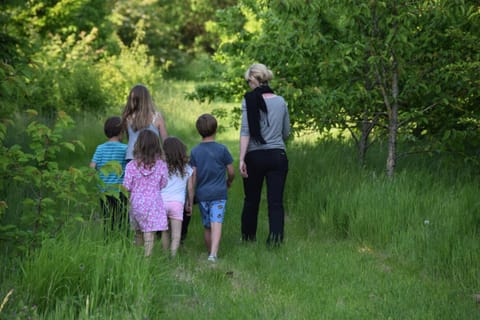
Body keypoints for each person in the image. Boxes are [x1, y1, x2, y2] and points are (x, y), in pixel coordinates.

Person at [239, 63, 290, 246]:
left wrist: (241, 159)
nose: (248, 85)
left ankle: (248, 238)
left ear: (254, 79)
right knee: (275, 201)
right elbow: (286, 132)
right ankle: (275, 239)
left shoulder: (248, 101)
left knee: (251, 199)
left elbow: (246, 131)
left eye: (248, 81)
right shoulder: (281, 101)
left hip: (255, 157)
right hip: (278, 156)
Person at [190, 114, 235, 262]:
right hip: (219, 193)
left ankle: (211, 252)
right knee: (217, 222)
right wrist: (229, 181)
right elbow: (231, 171)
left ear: (198, 131)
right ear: (216, 129)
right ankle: (213, 255)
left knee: (208, 226)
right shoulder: (222, 149)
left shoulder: (195, 151)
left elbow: (193, 175)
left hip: (202, 194)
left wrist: (192, 194)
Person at [123, 130, 168, 256]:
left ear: (138, 145)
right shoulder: (161, 165)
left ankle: (137, 257)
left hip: (135, 203)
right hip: (153, 202)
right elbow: (163, 183)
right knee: (149, 233)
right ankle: (147, 261)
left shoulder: (131, 165)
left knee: (138, 232)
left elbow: (126, 186)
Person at [89, 116, 128, 234]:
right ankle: (122, 239)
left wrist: (99, 173)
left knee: (107, 218)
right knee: (122, 218)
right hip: (120, 190)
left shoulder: (100, 148)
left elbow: (92, 166)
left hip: (104, 190)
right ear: (121, 131)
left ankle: (107, 239)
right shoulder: (125, 149)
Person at [161, 136, 194, 256]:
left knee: (164, 231)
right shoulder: (187, 168)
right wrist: (189, 203)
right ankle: (173, 256)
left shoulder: (161, 167)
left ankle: (164, 255)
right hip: (177, 203)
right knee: (176, 235)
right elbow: (190, 188)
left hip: (161, 203)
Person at [121, 84, 168, 162]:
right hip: (153, 156)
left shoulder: (127, 117)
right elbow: (165, 141)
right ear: (147, 99)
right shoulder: (157, 117)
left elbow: (129, 138)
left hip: (132, 156)